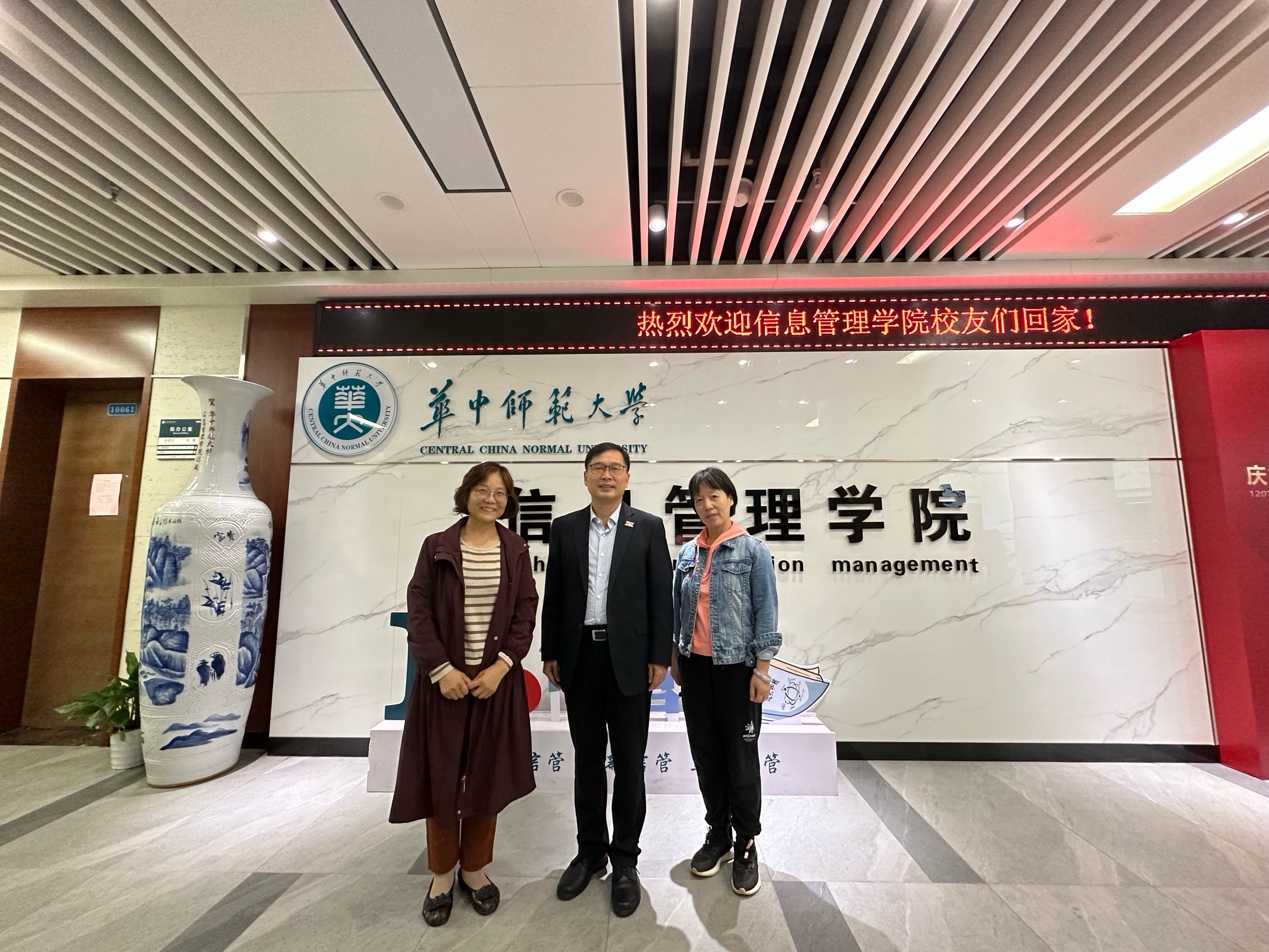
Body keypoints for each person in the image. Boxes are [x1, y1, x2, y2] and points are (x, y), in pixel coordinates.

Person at [389, 462, 539, 927]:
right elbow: (419, 612)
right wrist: (440, 669)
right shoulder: (436, 546)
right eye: (482, 489)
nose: (491, 499)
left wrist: (502, 666)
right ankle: (441, 873)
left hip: (494, 682)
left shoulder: (515, 549)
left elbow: (525, 611)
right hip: (445, 683)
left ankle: (474, 868)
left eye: (500, 493)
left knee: (485, 778)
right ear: (466, 494)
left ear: (508, 501)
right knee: (441, 777)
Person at [541, 442, 673, 917]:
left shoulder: (648, 527)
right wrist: (550, 650)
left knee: (630, 764)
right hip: (579, 657)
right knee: (588, 761)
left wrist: (659, 655)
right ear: (585, 476)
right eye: (598, 467)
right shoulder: (565, 527)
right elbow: (554, 593)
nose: (607, 475)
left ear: (627, 476)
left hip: (631, 661)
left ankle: (626, 861)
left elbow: (661, 597)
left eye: (616, 468)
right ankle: (590, 852)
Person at [671, 466, 780, 897]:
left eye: (714, 496)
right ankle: (717, 834)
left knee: (740, 760)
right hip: (694, 669)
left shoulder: (752, 551)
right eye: (699, 499)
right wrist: (675, 656)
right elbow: (677, 610)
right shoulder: (687, 553)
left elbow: (766, 612)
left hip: (737, 670)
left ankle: (746, 841)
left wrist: (762, 670)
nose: (707, 505)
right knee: (706, 755)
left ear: (730, 499)